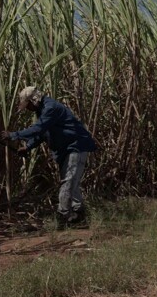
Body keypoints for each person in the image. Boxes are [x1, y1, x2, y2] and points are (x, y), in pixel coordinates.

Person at [6, 86, 97, 227]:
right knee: (71, 182)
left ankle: (64, 215)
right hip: (65, 150)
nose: (28, 108)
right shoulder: (42, 110)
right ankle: (78, 217)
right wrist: (28, 147)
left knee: (68, 182)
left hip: (76, 146)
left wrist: (13, 135)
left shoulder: (51, 108)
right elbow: (43, 133)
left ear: (34, 100)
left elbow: (39, 128)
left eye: (28, 105)